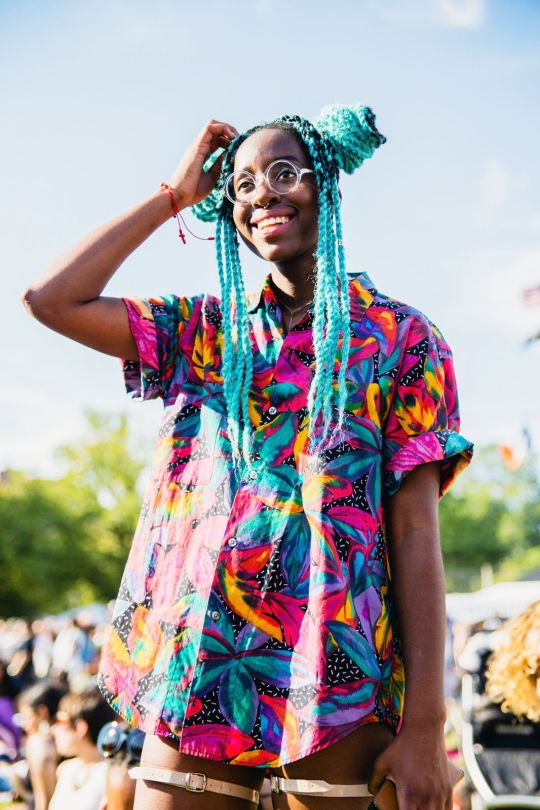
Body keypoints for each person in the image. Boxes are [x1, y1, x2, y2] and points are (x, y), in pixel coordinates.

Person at [22, 105, 473, 809]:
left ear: (328, 186)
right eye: (242, 184)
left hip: (337, 673)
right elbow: (50, 298)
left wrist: (427, 725)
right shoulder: (205, 332)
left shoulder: (402, 340)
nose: (262, 193)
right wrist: (172, 197)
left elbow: (416, 535)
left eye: (283, 173)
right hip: (202, 666)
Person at [48, 687, 115, 810]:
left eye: (59, 722)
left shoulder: (111, 776)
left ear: (81, 728)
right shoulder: (65, 769)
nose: (53, 729)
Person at [17, 679, 67, 810]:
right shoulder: (63, 742)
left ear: (42, 712)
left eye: (27, 717)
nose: (24, 725)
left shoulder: (39, 744)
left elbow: (44, 801)